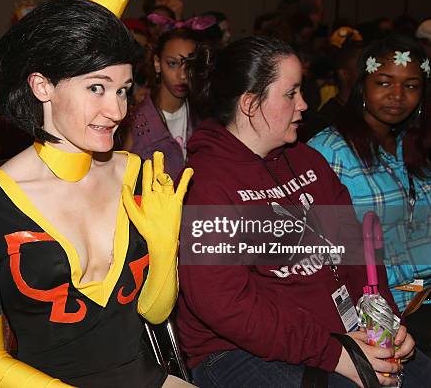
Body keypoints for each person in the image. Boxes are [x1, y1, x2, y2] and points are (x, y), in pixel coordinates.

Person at [0, 0, 194, 387]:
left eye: (122, 90)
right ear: (42, 86)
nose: (116, 111)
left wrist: (165, 247)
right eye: (96, 87)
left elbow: (154, 311)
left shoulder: (136, 174)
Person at [177, 36, 430, 387]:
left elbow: (355, 254)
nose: (304, 105)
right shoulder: (205, 185)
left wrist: (385, 323)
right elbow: (226, 305)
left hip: (331, 335)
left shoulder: (307, 161)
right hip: (236, 351)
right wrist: (336, 354)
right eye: (291, 93)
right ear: (251, 103)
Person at [309, 34, 431, 355]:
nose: (397, 96)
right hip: (388, 309)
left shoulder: (415, 145)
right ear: (363, 85)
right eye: (384, 83)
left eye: (411, 86)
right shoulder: (329, 151)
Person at [123, 28, 199, 179]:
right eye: (172, 63)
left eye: (190, 65)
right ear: (157, 63)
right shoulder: (135, 122)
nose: (182, 75)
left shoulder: (204, 116)